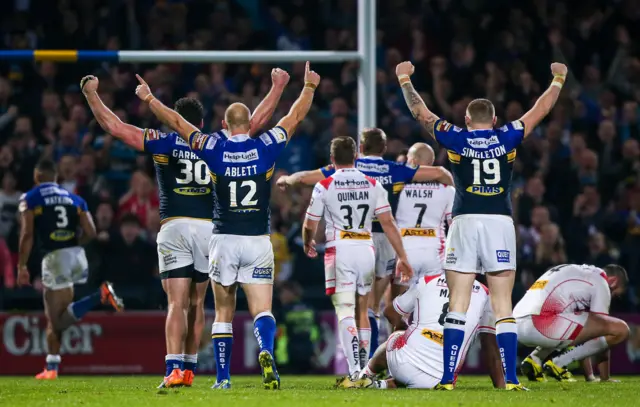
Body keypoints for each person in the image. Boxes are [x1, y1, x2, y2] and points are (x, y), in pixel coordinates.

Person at [80, 70, 288, 388]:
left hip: (174, 226)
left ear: (175, 120)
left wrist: (92, 94)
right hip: (210, 230)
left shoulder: (162, 141)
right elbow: (254, 122)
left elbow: (116, 128)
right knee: (199, 303)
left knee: (176, 304)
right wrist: (276, 88)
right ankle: (191, 368)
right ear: (202, 123)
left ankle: (173, 369)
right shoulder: (214, 143)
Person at [134, 62, 320, 390]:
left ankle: (223, 378)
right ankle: (266, 351)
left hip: (223, 239)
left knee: (223, 311)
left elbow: (178, 123)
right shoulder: (265, 146)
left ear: (223, 125)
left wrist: (150, 99)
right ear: (250, 124)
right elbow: (294, 117)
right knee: (263, 308)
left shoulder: (213, 147)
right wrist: (308, 88)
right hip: (259, 239)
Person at [396, 60, 569, 390]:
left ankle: (448, 379)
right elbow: (541, 109)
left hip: (463, 223)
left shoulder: (456, 138)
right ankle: (513, 380)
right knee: (503, 304)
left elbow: (422, 113)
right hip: (499, 224)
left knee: (458, 303)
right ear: (493, 120)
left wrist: (405, 79)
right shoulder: (508, 135)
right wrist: (558, 79)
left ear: (466, 120)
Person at [277, 128, 453, 358]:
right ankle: (392, 358)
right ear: (385, 148)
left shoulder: (350, 167)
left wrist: (287, 179)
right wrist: (449, 184)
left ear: (360, 149)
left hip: (359, 238)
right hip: (389, 240)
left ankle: (365, 361)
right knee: (383, 304)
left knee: (361, 306)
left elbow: (304, 178)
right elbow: (439, 173)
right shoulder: (394, 169)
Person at [302, 136, 413, 387]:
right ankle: (364, 371)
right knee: (364, 310)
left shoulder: (325, 185)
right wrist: (403, 257)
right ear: (355, 157)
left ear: (332, 159)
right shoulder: (373, 183)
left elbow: (310, 223)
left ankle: (354, 373)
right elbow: (388, 223)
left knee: (344, 309)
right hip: (366, 246)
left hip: (339, 248)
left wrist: (307, 240)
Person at [17, 159, 123, 380]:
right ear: (56, 178)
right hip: (76, 255)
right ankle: (52, 366)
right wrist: (73, 244)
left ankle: (99, 295)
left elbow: (27, 234)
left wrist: (22, 265)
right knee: (58, 317)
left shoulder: (31, 198)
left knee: (56, 321)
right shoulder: (75, 199)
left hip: (54, 258)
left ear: (37, 177)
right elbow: (91, 232)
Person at [356, 274, 504, 390]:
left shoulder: (427, 282)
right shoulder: (485, 294)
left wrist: (403, 326)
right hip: (439, 380)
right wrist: (501, 386)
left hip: (403, 364)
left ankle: (364, 376)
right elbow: (489, 346)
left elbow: (390, 313)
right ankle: (381, 384)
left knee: (398, 335)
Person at [515, 263, 629, 383]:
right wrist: (605, 377)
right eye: (615, 293)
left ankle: (535, 359)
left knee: (580, 323)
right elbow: (601, 330)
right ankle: (559, 363)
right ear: (614, 281)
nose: (612, 297)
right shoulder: (601, 281)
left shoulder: (577, 273)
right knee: (621, 329)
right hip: (540, 324)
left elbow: (585, 330)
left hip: (518, 324)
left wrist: (589, 376)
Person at [394, 143, 454, 283]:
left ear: (413, 161)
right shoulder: (448, 190)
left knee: (400, 303)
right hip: (435, 253)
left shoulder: (398, 190)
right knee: (432, 301)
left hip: (405, 251)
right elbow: (454, 225)